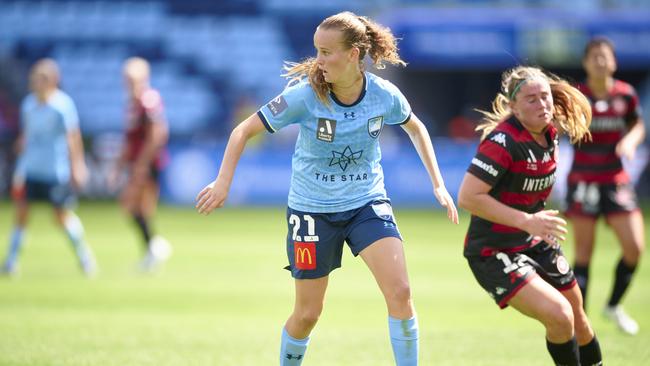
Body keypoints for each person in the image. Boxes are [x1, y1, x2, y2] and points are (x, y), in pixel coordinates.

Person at [196, 11, 458, 366]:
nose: (318, 61)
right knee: (307, 314)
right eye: (317, 50)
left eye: (326, 52)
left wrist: (438, 184)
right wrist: (223, 181)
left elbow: (416, 127)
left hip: (367, 202)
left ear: (353, 54)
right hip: (311, 211)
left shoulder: (383, 95)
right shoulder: (303, 96)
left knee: (401, 292)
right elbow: (242, 131)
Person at [458, 66, 603, 366]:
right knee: (560, 317)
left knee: (579, 321)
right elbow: (468, 197)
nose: (542, 105)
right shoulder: (502, 143)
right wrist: (527, 220)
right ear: (514, 107)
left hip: (535, 240)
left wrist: (534, 222)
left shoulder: (550, 134)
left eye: (545, 97)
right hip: (493, 251)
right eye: (531, 100)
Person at [565, 37, 646, 335]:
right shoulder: (577, 96)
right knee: (584, 253)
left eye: (605, 56)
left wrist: (630, 140)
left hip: (615, 181)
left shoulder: (625, 94)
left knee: (635, 248)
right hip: (584, 181)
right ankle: (579, 323)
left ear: (614, 61)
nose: (601, 61)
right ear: (586, 62)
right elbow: (560, 126)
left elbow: (637, 124)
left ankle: (613, 305)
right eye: (595, 57)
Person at [1, 58, 96, 277]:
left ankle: (84, 256)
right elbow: (27, 136)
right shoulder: (28, 105)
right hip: (31, 169)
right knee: (21, 214)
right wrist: (20, 161)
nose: (36, 84)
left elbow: (72, 137)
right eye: (34, 79)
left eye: (41, 80)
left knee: (60, 216)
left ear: (52, 81)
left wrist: (77, 165)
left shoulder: (62, 106)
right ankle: (11, 261)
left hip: (54, 171)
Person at [110, 57, 171, 272]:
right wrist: (119, 166)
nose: (128, 83)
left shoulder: (149, 101)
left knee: (133, 204)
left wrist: (142, 164)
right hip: (137, 163)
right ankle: (153, 248)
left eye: (132, 79)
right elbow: (129, 140)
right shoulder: (132, 105)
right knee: (137, 208)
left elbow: (158, 134)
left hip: (147, 163)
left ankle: (154, 248)